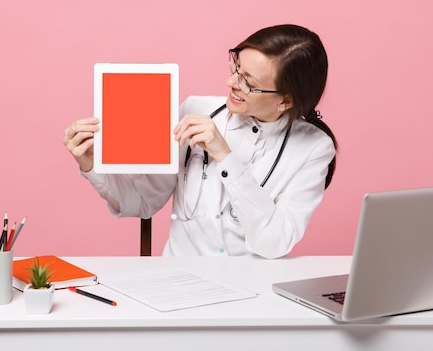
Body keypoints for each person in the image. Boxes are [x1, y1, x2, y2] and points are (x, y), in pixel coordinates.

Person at [63, 24, 338, 259]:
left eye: (248, 82)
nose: (231, 82)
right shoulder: (194, 110)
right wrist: (91, 164)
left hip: (252, 290)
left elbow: (275, 241)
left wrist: (225, 156)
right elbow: (144, 202)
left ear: (285, 100)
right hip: (180, 281)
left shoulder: (314, 148)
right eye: (236, 67)